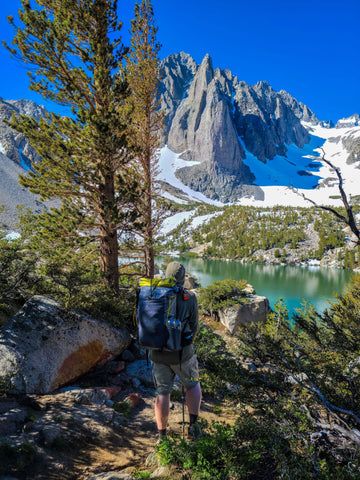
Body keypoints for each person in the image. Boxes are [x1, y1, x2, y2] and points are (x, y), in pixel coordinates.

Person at [149, 261, 202, 440]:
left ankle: (162, 436)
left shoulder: (152, 294)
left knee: (163, 392)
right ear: (183, 277)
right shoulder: (190, 297)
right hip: (182, 354)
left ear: (165, 275)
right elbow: (194, 327)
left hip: (157, 353)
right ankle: (193, 428)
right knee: (193, 384)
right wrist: (187, 343)